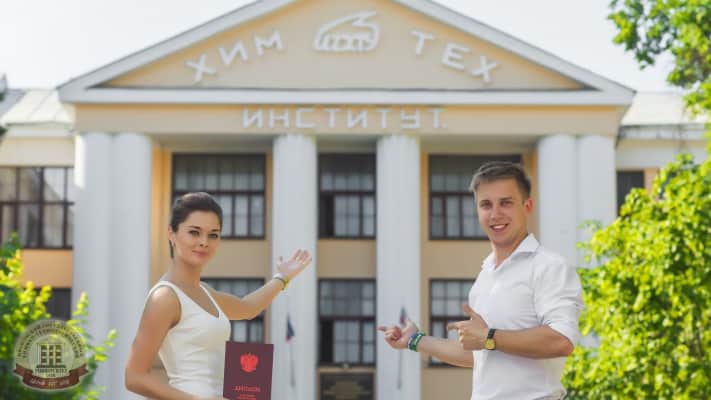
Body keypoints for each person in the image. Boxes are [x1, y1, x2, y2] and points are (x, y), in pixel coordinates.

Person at [378, 161, 584, 400]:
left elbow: (561, 340)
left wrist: (489, 337)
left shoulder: (549, 266)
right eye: (486, 205)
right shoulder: (485, 275)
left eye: (506, 203)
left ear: (527, 206)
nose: (495, 214)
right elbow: (479, 354)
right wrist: (415, 340)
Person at [125, 192, 312, 400]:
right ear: (172, 233)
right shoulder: (165, 297)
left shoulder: (205, 292)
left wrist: (282, 277)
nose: (204, 242)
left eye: (213, 235)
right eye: (194, 232)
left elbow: (248, 308)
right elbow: (134, 377)